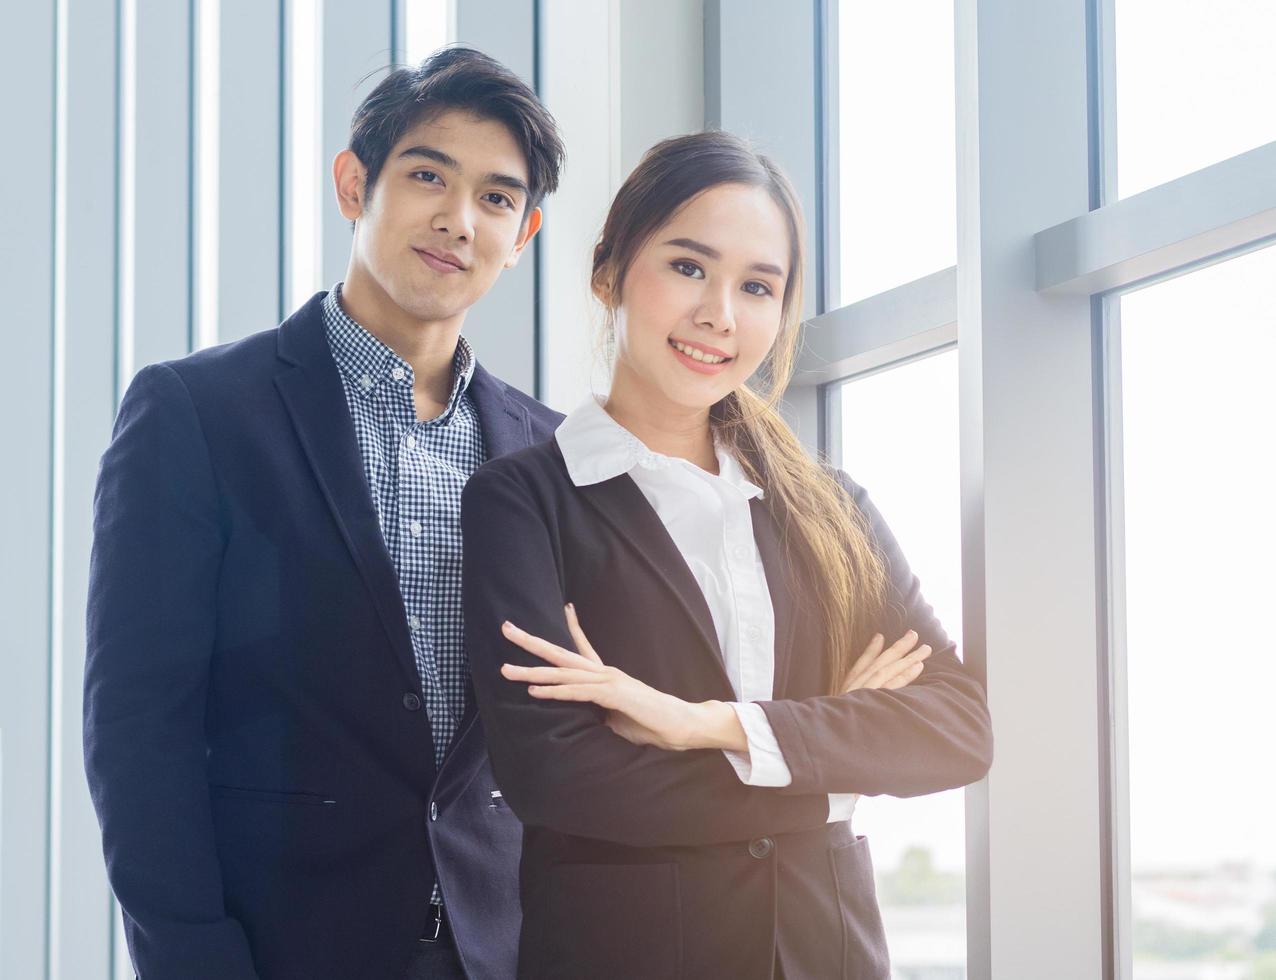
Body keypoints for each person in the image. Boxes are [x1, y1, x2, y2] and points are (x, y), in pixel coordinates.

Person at [460, 131, 994, 979]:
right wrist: (831, 759)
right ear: (609, 274)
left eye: (757, 286)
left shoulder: (831, 507)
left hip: (828, 954)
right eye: (687, 268)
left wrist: (705, 726)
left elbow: (961, 729)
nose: (720, 314)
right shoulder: (522, 502)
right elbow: (560, 778)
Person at [84, 47, 564, 980]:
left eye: (497, 199)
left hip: (497, 951)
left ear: (525, 235)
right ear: (355, 184)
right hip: (282, 949)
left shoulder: (547, 452)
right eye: (428, 175)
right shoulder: (197, 413)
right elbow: (140, 730)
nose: (458, 220)